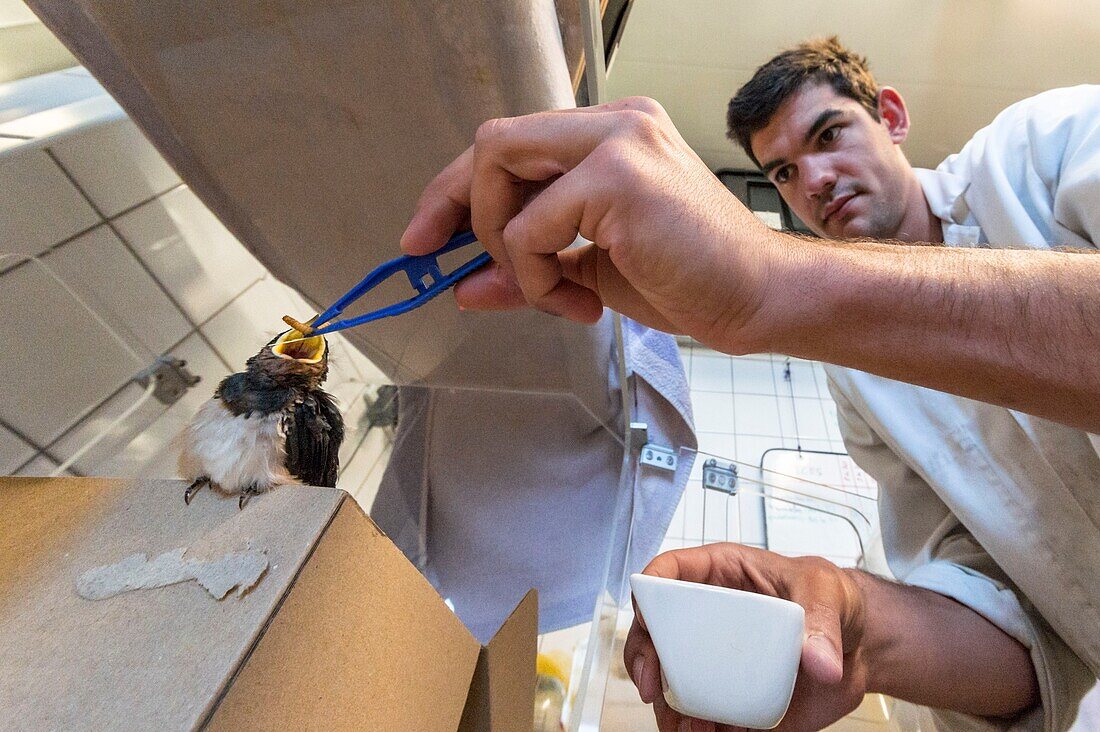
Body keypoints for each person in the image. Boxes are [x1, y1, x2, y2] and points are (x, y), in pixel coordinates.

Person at [400, 38, 1100, 731]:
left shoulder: (1044, 150)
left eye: (830, 134)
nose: (815, 180)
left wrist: (772, 281)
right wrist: (852, 624)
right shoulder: (858, 382)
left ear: (890, 115)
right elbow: (1030, 640)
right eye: (785, 172)